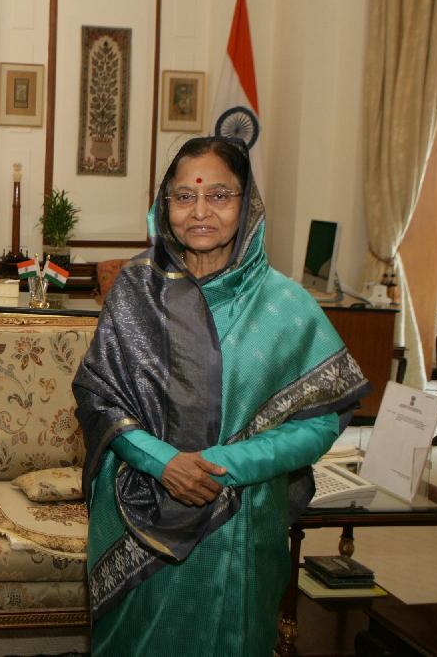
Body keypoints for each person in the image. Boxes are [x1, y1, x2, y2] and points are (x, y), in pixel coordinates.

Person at [72, 136, 369, 655]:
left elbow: (321, 420)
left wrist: (222, 466)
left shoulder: (285, 305)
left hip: (241, 518)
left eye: (219, 195)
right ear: (164, 204)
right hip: (138, 514)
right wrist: (165, 463)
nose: (200, 211)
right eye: (185, 196)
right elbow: (100, 399)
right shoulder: (135, 291)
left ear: (246, 202)